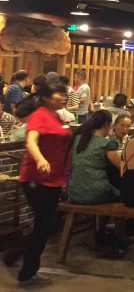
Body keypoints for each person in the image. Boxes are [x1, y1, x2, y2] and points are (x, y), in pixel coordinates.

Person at [14, 81, 74, 285]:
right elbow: (31, 141)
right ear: (47, 97)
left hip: (54, 178)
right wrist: (40, 159)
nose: (64, 97)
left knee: (46, 225)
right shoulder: (39, 115)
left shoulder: (56, 116)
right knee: (44, 225)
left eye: (65, 93)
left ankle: (16, 254)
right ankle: (27, 273)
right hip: (36, 178)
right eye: (59, 94)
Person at [68, 110, 121, 205]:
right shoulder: (107, 144)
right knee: (125, 193)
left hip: (74, 192)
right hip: (97, 193)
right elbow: (122, 167)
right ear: (106, 124)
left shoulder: (78, 138)